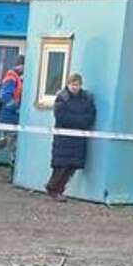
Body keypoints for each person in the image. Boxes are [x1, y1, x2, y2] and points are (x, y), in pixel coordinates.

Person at [46, 73, 98, 201]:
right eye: (73, 84)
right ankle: (53, 188)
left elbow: (91, 115)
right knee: (61, 165)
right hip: (64, 137)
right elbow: (61, 117)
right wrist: (80, 121)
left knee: (73, 166)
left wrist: (80, 122)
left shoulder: (87, 98)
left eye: (77, 84)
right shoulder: (62, 98)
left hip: (79, 138)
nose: (75, 87)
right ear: (68, 84)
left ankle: (59, 190)